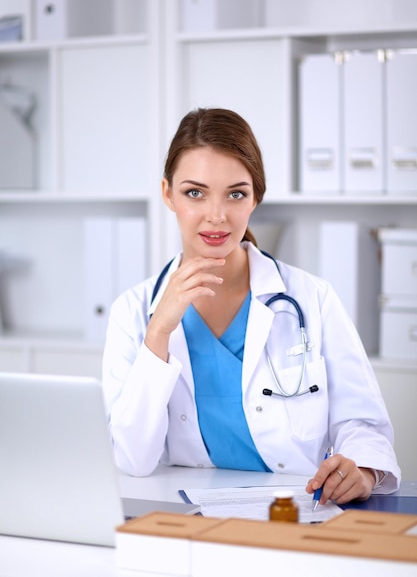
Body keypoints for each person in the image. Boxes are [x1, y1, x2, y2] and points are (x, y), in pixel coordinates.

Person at [102, 107, 400, 507]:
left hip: (295, 513)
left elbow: (363, 425)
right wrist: (159, 332)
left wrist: (362, 470)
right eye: (195, 192)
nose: (217, 216)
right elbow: (132, 459)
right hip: (187, 518)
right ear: (167, 194)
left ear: (255, 197)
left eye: (236, 194)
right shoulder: (133, 312)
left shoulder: (312, 298)